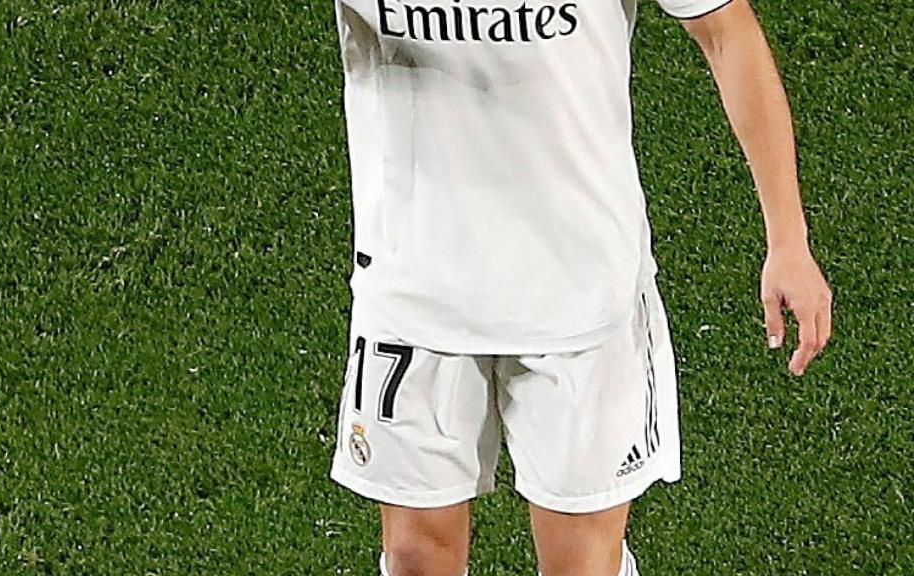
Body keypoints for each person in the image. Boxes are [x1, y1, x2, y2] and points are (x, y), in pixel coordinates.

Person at [327, 0, 833, 573]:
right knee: (416, 556)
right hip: (413, 284)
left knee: (581, 563)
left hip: (580, 290)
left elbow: (725, 31)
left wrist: (788, 237)